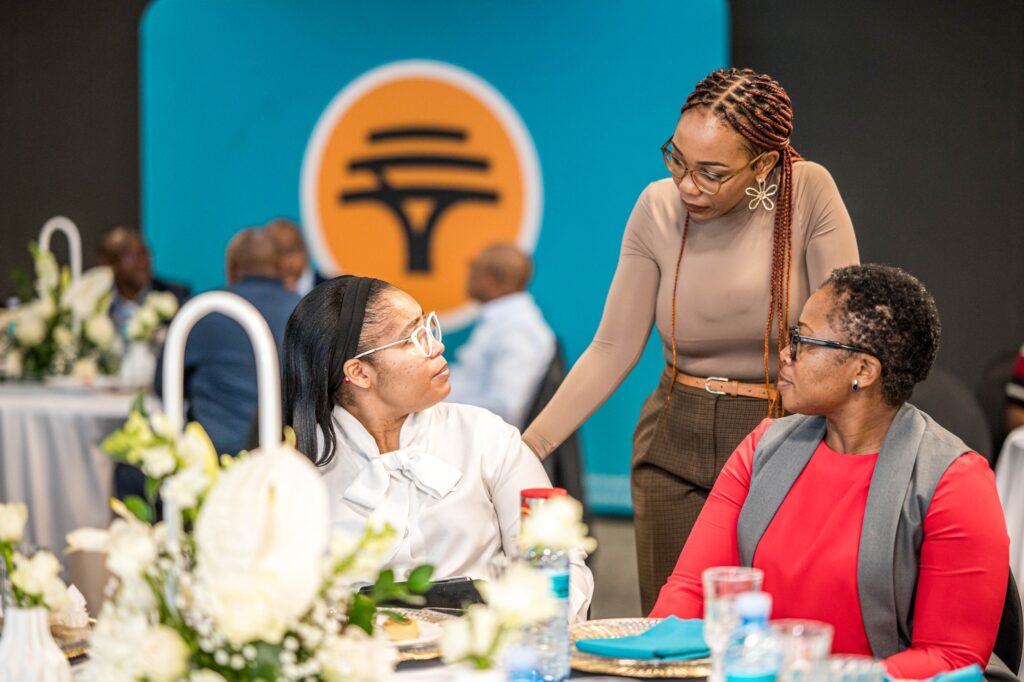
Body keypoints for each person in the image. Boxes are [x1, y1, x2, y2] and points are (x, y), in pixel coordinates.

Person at [522, 67, 860, 611]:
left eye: (712, 172)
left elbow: (843, 337)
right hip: (672, 438)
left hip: (780, 436)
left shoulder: (808, 193)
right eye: (676, 159)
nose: (686, 185)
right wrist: (530, 448)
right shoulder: (656, 207)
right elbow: (612, 348)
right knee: (669, 628)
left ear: (764, 164)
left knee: (762, 624)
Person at [650, 264, 1009, 679]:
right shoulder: (763, 446)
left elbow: (950, 659)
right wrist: (656, 660)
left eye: (802, 339)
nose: (785, 353)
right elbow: (692, 590)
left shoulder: (953, 482)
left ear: (863, 371)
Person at [281, 275, 593, 621]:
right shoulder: (299, 470)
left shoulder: (486, 437)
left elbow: (560, 562)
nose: (436, 346)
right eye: (411, 339)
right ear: (359, 372)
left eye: (428, 327)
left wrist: (533, 625)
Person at [173, 227, 300, 454]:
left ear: (231, 268)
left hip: (210, 463)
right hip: (289, 461)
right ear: (283, 268)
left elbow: (167, 385)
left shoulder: (202, 310)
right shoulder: (308, 311)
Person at [446, 243, 556, 429]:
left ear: (489, 278)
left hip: (479, 447)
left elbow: (503, 407)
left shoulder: (518, 329)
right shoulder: (503, 322)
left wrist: (435, 410)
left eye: (473, 266)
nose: (469, 273)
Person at [98, 226, 190, 338]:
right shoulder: (96, 303)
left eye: (145, 253)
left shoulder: (176, 296)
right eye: (132, 256)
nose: (142, 263)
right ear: (110, 263)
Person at [265, 218, 326, 296]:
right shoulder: (259, 298)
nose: (284, 263)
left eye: (289, 253)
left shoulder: (333, 292)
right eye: (276, 255)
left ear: (305, 251)